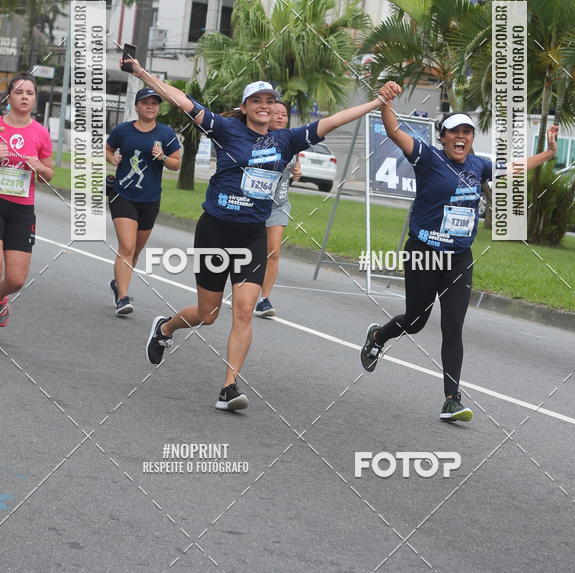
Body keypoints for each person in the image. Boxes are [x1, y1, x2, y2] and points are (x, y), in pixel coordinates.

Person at [126, 60, 389, 412]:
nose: (264, 106)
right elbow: (182, 100)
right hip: (215, 230)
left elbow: (335, 119)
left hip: (252, 236)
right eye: (257, 101)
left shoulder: (287, 139)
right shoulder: (224, 129)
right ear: (246, 107)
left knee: (246, 311)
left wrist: (376, 103)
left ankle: (229, 387)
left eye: (270, 101)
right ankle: (165, 329)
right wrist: (144, 75)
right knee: (208, 313)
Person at [361, 81, 559, 423]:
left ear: (471, 138)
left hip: (458, 258)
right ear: (443, 136)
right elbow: (393, 130)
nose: (461, 137)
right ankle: (378, 335)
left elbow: (514, 167)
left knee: (453, 327)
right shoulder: (427, 157)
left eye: (467, 131)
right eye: (455, 131)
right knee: (416, 321)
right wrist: (385, 100)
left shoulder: (478, 166)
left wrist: (549, 154)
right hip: (424, 253)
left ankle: (451, 400)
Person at [106, 87, 181, 316]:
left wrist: (163, 157)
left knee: (136, 249)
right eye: (145, 103)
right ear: (137, 106)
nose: (150, 107)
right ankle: (122, 297)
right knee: (126, 246)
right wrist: (113, 157)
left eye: (154, 103)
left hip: (150, 199)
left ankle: (119, 282)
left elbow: (176, 163)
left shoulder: (166, 134)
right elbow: (107, 149)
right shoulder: (123, 130)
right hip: (122, 195)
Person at [0, 76, 53, 327]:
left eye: (29, 93)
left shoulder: (40, 133)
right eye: (19, 92)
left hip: (22, 209)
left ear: (34, 99)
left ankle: (1, 300)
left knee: (16, 280)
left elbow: (48, 176)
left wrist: (40, 168)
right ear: (8, 96)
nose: (24, 96)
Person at [255, 100, 301, 318]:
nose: (282, 117)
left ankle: (264, 299)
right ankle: (243, 288)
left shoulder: (292, 141)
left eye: (285, 114)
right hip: (254, 203)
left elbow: (293, 166)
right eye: (277, 113)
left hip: (279, 204)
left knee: (273, 250)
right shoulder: (258, 139)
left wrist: (296, 172)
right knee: (252, 252)